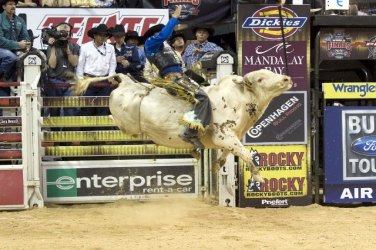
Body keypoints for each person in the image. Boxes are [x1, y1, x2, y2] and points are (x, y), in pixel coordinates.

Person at [143, 5, 211, 149]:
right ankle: (191, 132)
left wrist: (198, 79)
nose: (163, 35)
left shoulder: (167, 48)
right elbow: (164, 35)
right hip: (173, 79)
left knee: (203, 95)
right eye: (160, 32)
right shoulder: (151, 43)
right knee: (203, 98)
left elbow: (180, 67)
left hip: (179, 77)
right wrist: (174, 18)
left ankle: (190, 130)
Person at [76, 23, 117, 116]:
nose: (103, 37)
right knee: (87, 108)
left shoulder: (110, 47)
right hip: (89, 80)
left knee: (103, 107)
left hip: (105, 80)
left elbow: (113, 63)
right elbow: (80, 64)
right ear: (94, 35)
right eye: (100, 35)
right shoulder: (85, 47)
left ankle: (101, 129)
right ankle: (86, 130)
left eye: (105, 35)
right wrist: (80, 80)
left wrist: (111, 76)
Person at [45, 22, 80, 117]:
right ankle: (54, 131)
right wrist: (53, 47)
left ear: (70, 34)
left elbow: (74, 63)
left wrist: (68, 52)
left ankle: (68, 131)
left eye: (66, 32)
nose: (63, 34)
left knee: (70, 110)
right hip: (54, 81)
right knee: (54, 110)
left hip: (69, 82)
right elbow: (52, 65)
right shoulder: (51, 46)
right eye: (61, 32)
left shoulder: (75, 46)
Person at [0, 0, 30, 87]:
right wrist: (17, 44)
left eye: (14, 4)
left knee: (32, 57)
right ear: (4, 7)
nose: (13, 6)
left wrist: (26, 45)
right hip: (2, 48)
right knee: (11, 57)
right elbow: (0, 40)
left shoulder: (20, 20)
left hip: (14, 49)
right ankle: (2, 76)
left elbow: (25, 37)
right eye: (10, 4)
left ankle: (26, 84)